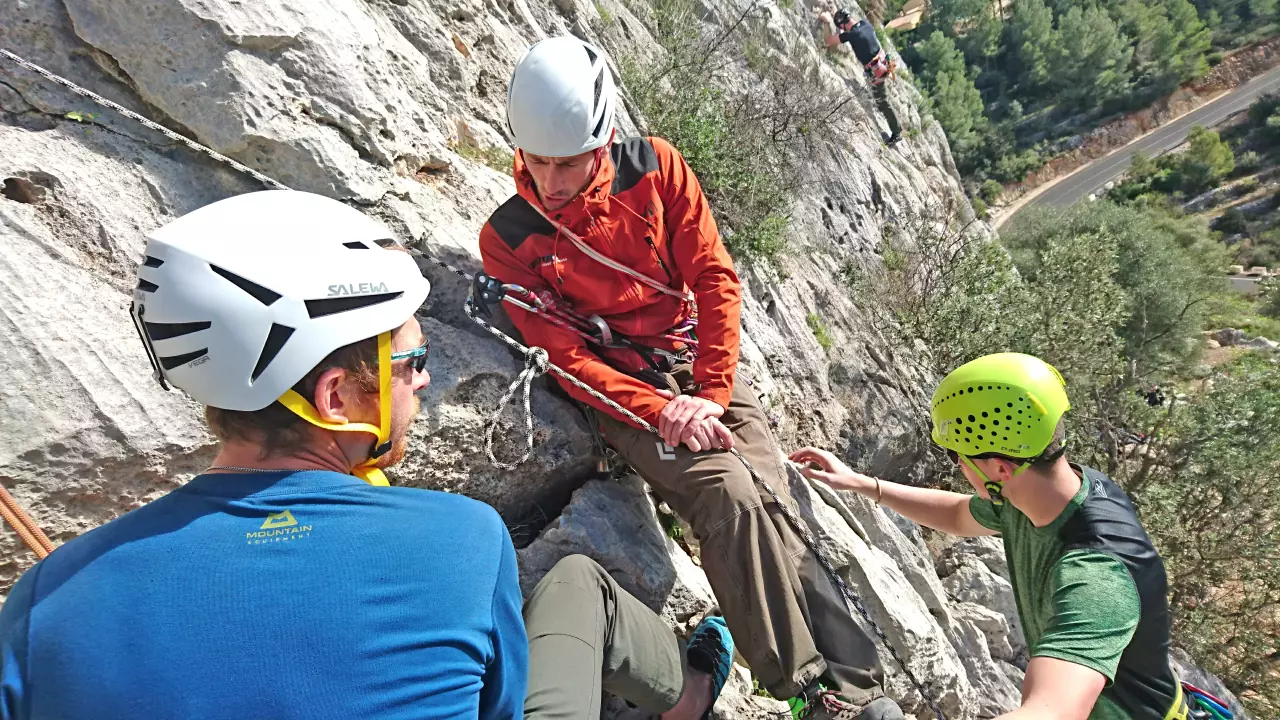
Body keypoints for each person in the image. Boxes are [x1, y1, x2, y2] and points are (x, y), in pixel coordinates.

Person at [0, 190, 738, 720]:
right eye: (411, 360)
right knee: (576, 584)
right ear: (334, 399)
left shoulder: (44, 605)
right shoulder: (459, 541)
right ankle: (693, 696)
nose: (424, 380)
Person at [479, 35, 903, 720]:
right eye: (537, 163)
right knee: (728, 493)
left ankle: (860, 688)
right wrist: (661, 412)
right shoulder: (511, 236)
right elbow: (566, 356)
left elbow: (713, 279)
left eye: (569, 164)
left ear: (603, 139)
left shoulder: (656, 171)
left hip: (695, 365)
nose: (552, 184)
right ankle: (809, 693)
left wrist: (707, 395)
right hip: (623, 392)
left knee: (773, 498)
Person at [792, 353, 1193, 720]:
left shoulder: (1097, 577)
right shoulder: (1049, 494)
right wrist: (863, 484)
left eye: (957, 457)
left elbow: (1053, 711)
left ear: (1000, 469)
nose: (958, 467)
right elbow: (958, 513)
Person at [818, 7, 903, 145]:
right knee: (881, 100)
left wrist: (827, 22)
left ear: (843, 25)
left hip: (877, 72)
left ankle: (897, 133)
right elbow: (844, 34)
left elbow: (828, 40)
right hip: (884, 64)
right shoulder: (865, 24)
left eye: (841, 27)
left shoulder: (852, 35)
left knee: (882, 103)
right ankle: (896, 128)